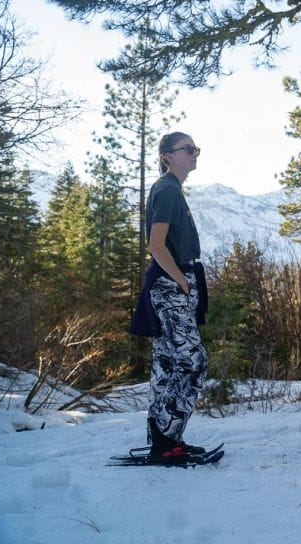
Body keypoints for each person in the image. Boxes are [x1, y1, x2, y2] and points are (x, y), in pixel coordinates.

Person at [129, 132, 209, 463]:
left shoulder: (169, 190)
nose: (195, 154)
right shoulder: (167, 190)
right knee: (193, 362)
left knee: (167, 364)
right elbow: (156, 245)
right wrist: (181, 282)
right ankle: (165, 438)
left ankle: (166, 441)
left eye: (196, 148)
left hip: (169, 285)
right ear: (167, 156)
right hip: (171, 285)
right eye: (187, 149)